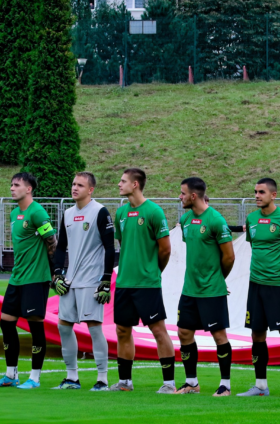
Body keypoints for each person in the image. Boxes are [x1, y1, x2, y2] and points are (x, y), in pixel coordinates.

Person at [0, 173, 57, 389]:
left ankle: (34, 378)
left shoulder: (37, 212)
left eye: (16, 185)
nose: (11, 188)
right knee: (6, 322)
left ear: (28, 189)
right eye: (11, 184)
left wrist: (54, 273)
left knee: (35, 324)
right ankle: (11, 375)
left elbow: (52, 242)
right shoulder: (14, 213)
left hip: (36, 278)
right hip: (17, 277)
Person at [111, 168, 176, 393]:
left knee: (158, 331)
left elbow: (165, 249)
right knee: (122, 331)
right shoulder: (121, 213)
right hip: (124, 283)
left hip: (147, 284)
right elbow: (123, 244)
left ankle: (169, 383)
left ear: (135, 184)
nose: (119, 184)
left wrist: (154, 271)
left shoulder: (154, 211)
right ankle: (125, 382)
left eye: (123, 181)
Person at [238, 178, 280, 398]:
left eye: (261, 192)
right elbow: (255, 246)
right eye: (255, 192)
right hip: (256, 285)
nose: (257, 195)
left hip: (278, 286)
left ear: (273, 195)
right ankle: (260, 386)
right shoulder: (252, 219)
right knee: (257, 334)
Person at [51, 172, 115, 391]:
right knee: (63, 327)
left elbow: (110, 248)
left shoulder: (100, 211)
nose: (74, 188)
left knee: (94, 328)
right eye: (73, 184)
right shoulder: (68, 213)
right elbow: (61, 246)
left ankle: (102, 380)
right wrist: (58, 274)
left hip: (92, 280)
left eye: (80, 185)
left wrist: (106, 279)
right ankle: (72, 378)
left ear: (91, 190)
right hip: (70, 280)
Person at [176, 177, 235, 397]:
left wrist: (218, 279)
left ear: (193, 196)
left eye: (182, 193)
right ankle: (191, 382)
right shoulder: (185, 220)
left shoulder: (216, 220)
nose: (180, 197)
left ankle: (225, 385)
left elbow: (229, 257)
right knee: (184, 332)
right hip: (189, 289)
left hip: (212, 290)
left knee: (218, 335)